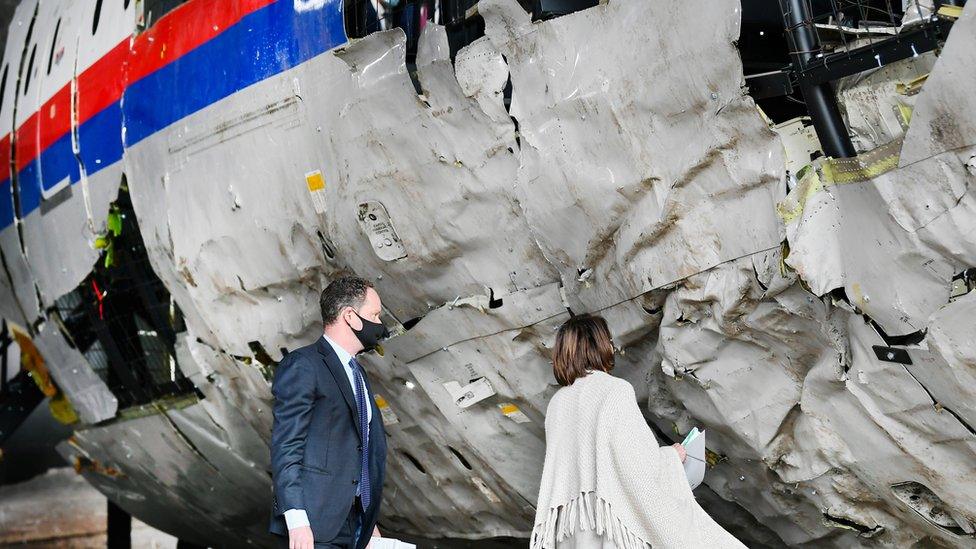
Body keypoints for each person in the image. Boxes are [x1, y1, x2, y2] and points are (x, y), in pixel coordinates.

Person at [531, 314, 746, 548]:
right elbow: (638, 468)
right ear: (601, 344)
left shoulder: (557, 404)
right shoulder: (614, 391)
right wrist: (673, 456)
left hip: (575, 533)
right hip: (610, 528)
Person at [269, 277, 389, 549]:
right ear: (350, 316)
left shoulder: (357, 373)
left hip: (354, 522)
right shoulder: (304, 365)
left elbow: (356, 449)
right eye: (374, 315)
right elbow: (286, 446)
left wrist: (368, 519)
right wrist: (297, 521)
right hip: (314, 526)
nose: (380, 324)